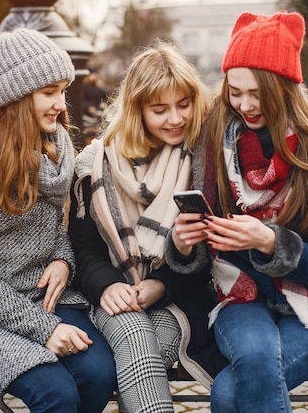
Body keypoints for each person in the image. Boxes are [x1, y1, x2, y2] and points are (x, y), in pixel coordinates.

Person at [167, 11, 308, 413]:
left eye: (257, 94)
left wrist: (270, 241)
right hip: (240, 297)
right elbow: (204, 249)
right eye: (235, 92)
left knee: (230, 393)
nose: (245, 105)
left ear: (285, 89)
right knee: (249, 364)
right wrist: (182, 244)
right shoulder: (216, 137)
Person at [0, 28, 116, 413]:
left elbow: (56, 228)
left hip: (44, 294)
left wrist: (63, 260)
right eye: (49, 92)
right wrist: (46, 330)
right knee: (58, 394)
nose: (61, 104)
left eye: (63, 90)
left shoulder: (56, 146)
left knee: (99, 374)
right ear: (18, 96)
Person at [69, 40, 227, 413]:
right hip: (111, 296)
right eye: (160, 109)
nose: (175, 119)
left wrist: (162, 283)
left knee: (142, 344)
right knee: (134, 332)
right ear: (137, 110)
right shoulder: (99, 162)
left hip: (180, 300)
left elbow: (209, 258)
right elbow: (84, 247)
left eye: (184, 105)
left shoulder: (202, 156)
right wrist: (107, 285)